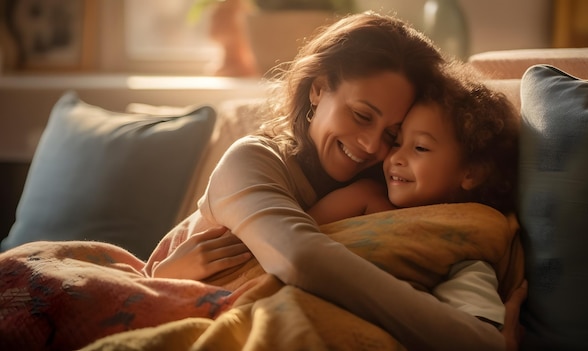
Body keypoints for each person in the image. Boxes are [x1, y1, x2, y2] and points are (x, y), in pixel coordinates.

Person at [146, 12, 524, 350]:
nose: (373, 145)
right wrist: (477, 341)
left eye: (393, 133)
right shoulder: (251, 161)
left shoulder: (390, 183)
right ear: (319, 88)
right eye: (361, 115)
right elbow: (304, 260)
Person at [307, 61, 521, 331]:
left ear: (472, 173)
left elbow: (476, 330)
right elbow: (290, 239)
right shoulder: (364, 196)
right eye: (396, 142)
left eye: (420, 147)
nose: (396, 157)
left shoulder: (463, 241)